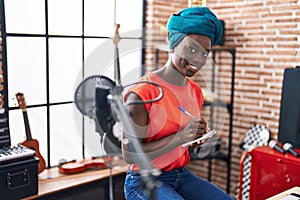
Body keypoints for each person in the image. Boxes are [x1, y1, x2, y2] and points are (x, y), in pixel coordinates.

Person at [122, 6, 233, 200]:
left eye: (204, 54)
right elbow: (130, 155)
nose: (198, 60)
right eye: (191, 49)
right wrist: (180, 138)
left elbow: (182, 148)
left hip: (180, 175)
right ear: (173, 44)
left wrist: (194, 138)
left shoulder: (195, 92)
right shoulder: (141, 93)